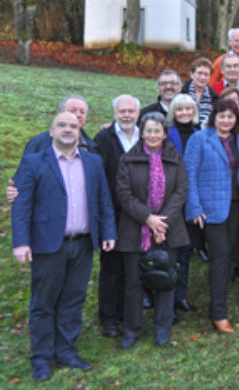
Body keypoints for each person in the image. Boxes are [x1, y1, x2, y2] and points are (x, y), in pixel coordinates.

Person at [11, 111, 116, 382]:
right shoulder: (34, 162)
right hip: (48, 245)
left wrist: (108, 232)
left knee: (73, 300)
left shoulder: (93, 162)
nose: (68, 129)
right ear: (51, 131)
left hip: (82, 244)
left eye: (73, 125)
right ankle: (42, 358)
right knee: (44, 304)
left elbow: (103, 200)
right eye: (62, 125)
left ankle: (66, 351)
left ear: (79, 130)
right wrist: (21, 242)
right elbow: (21, 206)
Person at [115, 112, 188, 348]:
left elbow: (180, 191)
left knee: (166, 279)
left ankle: (162, 327)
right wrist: (148, 219)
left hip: (169, 228)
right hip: (135, 229)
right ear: (142, 133)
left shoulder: (175, 158)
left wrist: (162, 222)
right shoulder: (129, 159)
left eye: (158, 130)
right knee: (133, 282)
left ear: (165, 133)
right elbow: (124, 194)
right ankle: (132, 329)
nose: (153, 135)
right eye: (148, 130)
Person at [184, 99, 239, 333]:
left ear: (236, 120)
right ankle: (219, 313)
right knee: (221, 255)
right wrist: (194, 207)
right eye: (221, 116)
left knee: (228, 255)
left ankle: (219, 300)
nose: (226, 120)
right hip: (209, 208)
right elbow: (189, 174)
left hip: (234, 205)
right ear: (214, 117)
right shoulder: (200, 139)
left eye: (231, 116)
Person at [92, 95, 140, 338]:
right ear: (115, 112)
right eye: (122, 111)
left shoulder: (146, 136)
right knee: (111, 267)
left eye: (131, 110)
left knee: (133, 266)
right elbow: (96, 175)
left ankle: (127, 312)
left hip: (140, 214)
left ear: (138, 113)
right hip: (113, 211)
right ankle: (109, 317)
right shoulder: (104, 138)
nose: (127, 115)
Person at [7, 95, 97, 203]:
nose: (78, 115)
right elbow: (22, 180)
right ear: (60, 113)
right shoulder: (39, 143)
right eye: (72, 110)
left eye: (82, 112)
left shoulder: (92, 147)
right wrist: (16, 191)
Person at [165, 94, 202, 310]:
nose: (184, 113)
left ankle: (181, 295)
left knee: (187, 249)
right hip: (172, 199)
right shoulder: (168, 135)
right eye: (180, 109)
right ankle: (166, 296)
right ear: (173, 112)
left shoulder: (200, 133)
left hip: (193, 199)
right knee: (172, 250)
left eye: (188, 109)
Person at [181, 57, 218, 126]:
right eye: (199, 73)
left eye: (206, 74)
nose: (202, 77)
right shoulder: (181, 94)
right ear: (191, 74)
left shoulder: (214, 98)